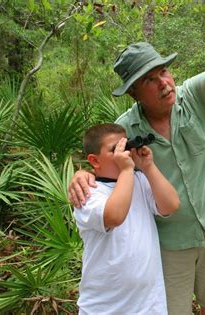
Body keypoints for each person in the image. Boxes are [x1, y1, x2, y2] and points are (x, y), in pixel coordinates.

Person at [68, 15, 205, 315]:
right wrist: (80, 175)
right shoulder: (125, 129)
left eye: (163, 71)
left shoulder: (196, 97)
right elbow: (105, 165)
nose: (164, 83)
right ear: (133, 93)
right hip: (166, 245)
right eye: (149, 80)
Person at [74, 123, 180, 314]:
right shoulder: (87, 193)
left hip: (148, 305)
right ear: (94, 161)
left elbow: (171, 204)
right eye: (115, 150)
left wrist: (148, 166)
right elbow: (114, 216)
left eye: (126, 146)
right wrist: (126, 171)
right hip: (104, 308)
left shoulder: (139, 181)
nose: (125, 154)